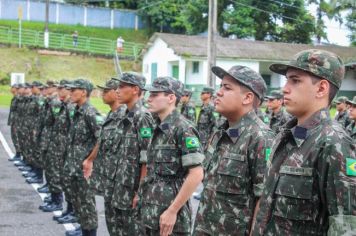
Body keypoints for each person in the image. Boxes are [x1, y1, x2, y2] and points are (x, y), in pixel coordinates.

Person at [250, 49, 356, 235]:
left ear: (322, 88)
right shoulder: (286, 135)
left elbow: (345, 227)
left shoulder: (334, 143)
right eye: (287, 80)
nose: (285, 88)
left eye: (295, 80)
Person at [193, 65, 274, 235]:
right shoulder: (221, 132)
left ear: (247, 98)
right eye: (220, 86)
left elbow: (263, 201)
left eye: (227, 88)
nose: (218, 92)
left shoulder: (261, 138)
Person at [140, 76, 205, 236]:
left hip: (170, 217)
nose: (149, 98)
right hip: (151, 211)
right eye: (150, 94)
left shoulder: (183, 128)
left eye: (155, 95)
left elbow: (196, 174)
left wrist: (172, 211)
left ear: (170, 98)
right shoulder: (157, 126)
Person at [108, 72, 155, 235]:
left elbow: (147, 159)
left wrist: (140, 192)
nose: (117, 91)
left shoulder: (143, 117)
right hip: (119, 186)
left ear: (135, 89)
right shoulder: (124, 114)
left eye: (121, 87)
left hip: (131, 191)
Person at [82, 78, 127, 235]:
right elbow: (101, 140)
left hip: (120, 180)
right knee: (112, 222)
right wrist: (90, 159)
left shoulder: (125, 116)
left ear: (116, 93)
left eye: (106, 91)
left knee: (123, 224)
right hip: (109, 179)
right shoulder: (111, 114)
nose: (102, 94)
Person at [64, 79, 103, 236]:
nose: (71, 93)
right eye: (71, 90)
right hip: (74, 165)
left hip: (84, 167)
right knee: (78, 200)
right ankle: (83, 229)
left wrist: (90, 159)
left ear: (84, 92)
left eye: (75, 90)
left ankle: (90, 232)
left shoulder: (90, 112)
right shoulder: (78, 111)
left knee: (87, 202)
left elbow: (101, 138)